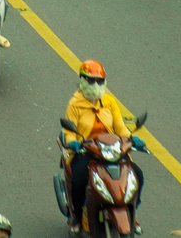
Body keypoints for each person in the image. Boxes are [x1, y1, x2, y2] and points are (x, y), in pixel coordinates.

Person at [62, 61, 145, 234]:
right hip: (87, 150)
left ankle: (132, 211)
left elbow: (119, 127)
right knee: (78, 179)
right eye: (91, 81)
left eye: (100, 81)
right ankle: (76, 216)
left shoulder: (109, 101)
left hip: (112, 150)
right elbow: (69, 131)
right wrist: (73, 143)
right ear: (82, 80)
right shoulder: (75, 104)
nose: (96, 85)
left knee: (137, 174)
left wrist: (131, 138)